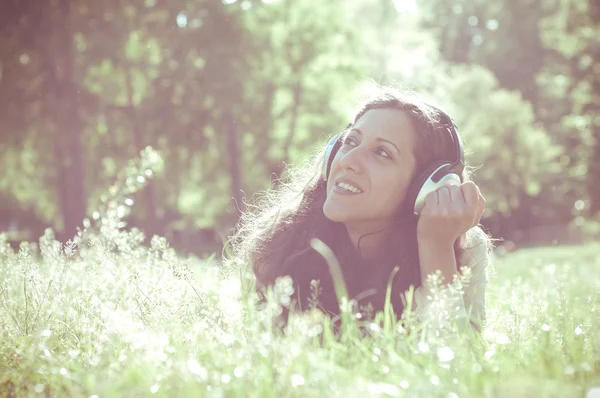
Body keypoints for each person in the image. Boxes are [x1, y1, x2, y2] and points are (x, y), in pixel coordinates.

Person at [229, 86, 493, 334]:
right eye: (351, 142)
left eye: (382, 153)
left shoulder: (462, 248)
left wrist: (435, 249)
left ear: (424, 188)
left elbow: (455, 366)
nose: (348, 161)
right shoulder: (278, 243)